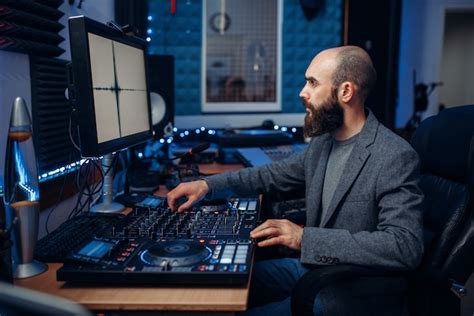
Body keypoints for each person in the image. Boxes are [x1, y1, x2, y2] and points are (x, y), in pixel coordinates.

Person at [167, 46, 424, 315]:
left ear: (345, 92)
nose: (303, 92)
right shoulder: (324, 142)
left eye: (313, 83)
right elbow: (269, 175)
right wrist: (208, 185)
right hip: (316, 270)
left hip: (355, 293)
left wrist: (304, 238)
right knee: (219, 282)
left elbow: (404, 246)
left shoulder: (394, 155)